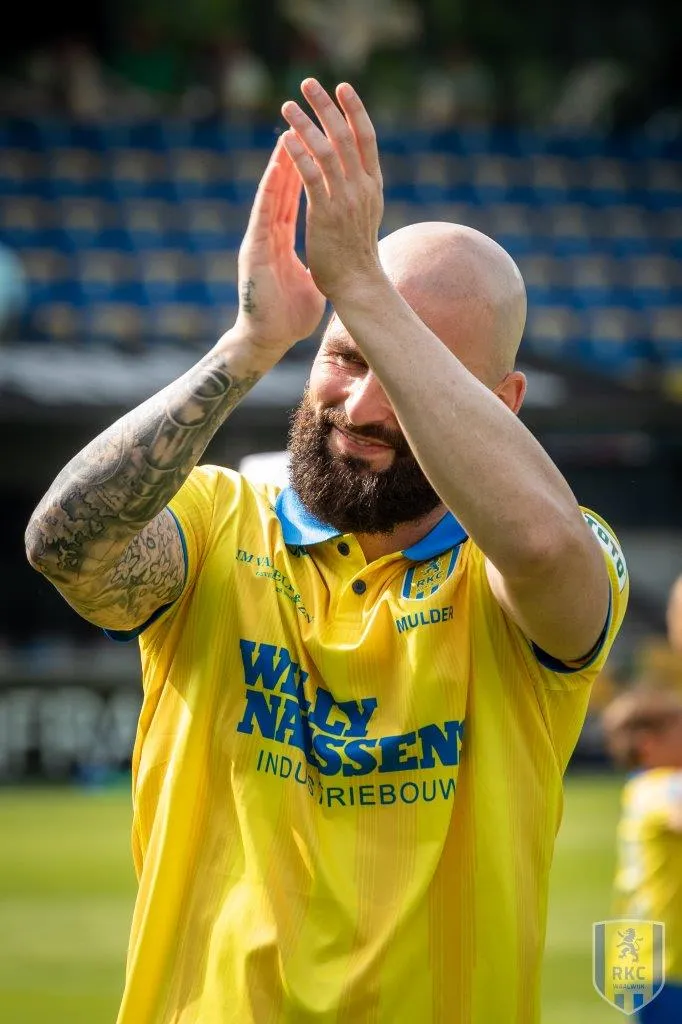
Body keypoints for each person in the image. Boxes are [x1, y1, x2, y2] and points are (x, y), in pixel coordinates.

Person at [25, 79, 628, 1024]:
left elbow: (549, 551)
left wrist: (367, 294)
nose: (362, 406)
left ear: (502, 403)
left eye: (414, 371)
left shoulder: (538, 561)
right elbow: (65, 545)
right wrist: (250, 342)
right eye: (346, 356)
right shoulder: (219, 521)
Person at [602, 685, 682, 1022]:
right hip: (665, 960)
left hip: (641, 956)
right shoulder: (663, 784)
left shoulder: (640, 788)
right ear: (650, 744)